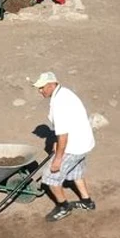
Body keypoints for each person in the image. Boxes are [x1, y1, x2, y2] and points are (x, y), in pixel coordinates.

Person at [33, 72, 96, 222]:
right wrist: (55, 142)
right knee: (76, 173)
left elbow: (63, 135)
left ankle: (63, 207)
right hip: (84, 142)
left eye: (42, 88)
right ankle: (87, 202)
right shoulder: (65, 93)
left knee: (50, 177)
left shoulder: (60, 103)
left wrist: (58, 159)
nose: (40, 91)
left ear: (51, 85)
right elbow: (62, 130)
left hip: (74, 146)